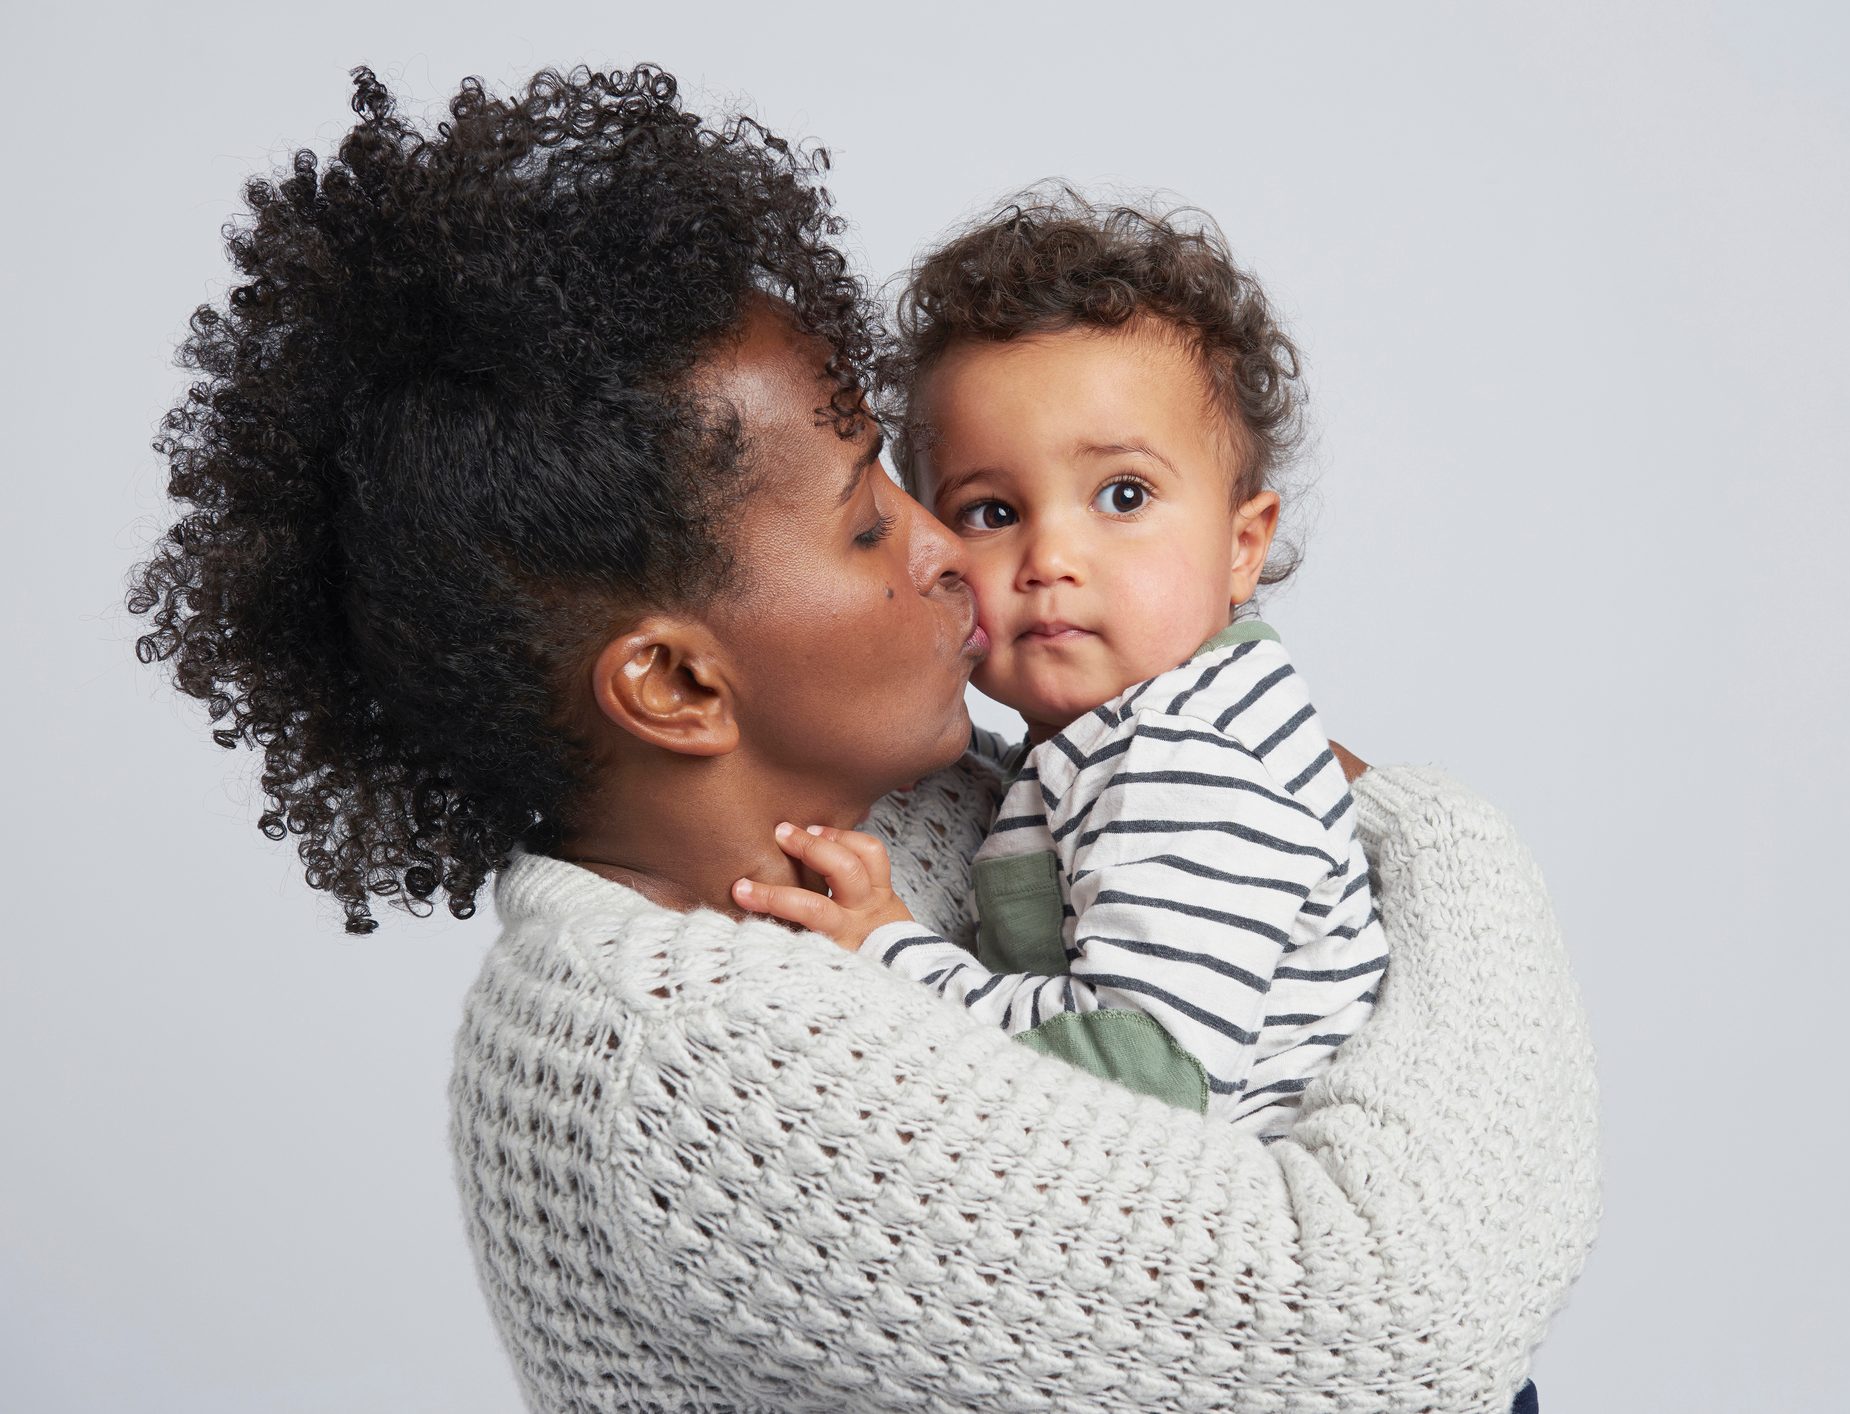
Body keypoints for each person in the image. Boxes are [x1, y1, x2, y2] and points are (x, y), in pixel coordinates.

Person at [129, 64, 1598, 1413]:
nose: (958, 556)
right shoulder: (691, 1067)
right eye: (867, 517)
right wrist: (1439, 842)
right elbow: (1396, 1327)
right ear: (677, 687)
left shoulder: (896, 801)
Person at [733, 196, 1387, 1144]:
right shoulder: (1102, 744)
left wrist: (890, 949)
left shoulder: (1183, 763)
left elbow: (1141, 1079)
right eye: (990, 512)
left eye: (1122, 496)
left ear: (1242, 546)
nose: (1050, 558)